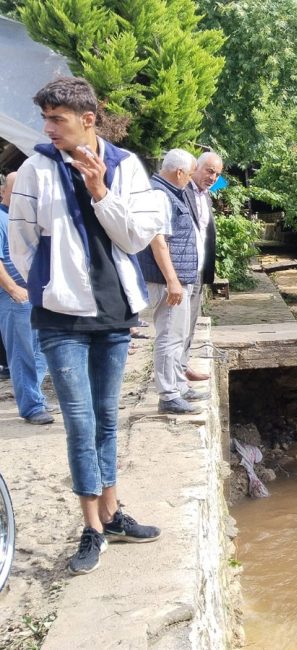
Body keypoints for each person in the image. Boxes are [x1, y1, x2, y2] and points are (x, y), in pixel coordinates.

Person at [9, 77, 163, 575]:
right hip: (60, 316)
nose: (48, 128)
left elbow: (137, 237)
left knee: (106, 415)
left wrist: (100, 190)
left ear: (88, 119)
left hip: (114, 311)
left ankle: (114, 513)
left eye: (58, 119)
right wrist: (52, 285)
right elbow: (23, 240)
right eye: (46, 119)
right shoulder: (35, 170)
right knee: (79, 420)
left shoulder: (125, 167)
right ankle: (92, 527)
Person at [137, 149, 207, 415]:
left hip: (180, 277)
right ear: (179, 172)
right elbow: (159, 242)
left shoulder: (170, 192)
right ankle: (168, 395)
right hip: (170, 280)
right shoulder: (160, 195)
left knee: (177, 335)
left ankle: (178, 386)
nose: (191, 180)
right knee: (169, 335)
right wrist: (173, 280)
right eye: (190, 174)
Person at [0, 171, 53, 424]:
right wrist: (13, 290)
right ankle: (31, 406)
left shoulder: (27, 218)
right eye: (16, 188)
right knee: (22, 353)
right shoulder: (1, 219)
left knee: (43, 348)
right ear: (4, 192)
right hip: (14, 296)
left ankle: (35, 397)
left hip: (36, 293)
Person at [180, 151, 223, 382]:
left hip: (198, 267)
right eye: (209, 171)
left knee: (191, 320)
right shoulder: (181, 191)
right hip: (180, 268)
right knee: (176, 323)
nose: (213, 177)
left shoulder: (205, 196)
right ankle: (173, 374)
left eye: (217, 174)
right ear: (196, 167)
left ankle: (183, 365)